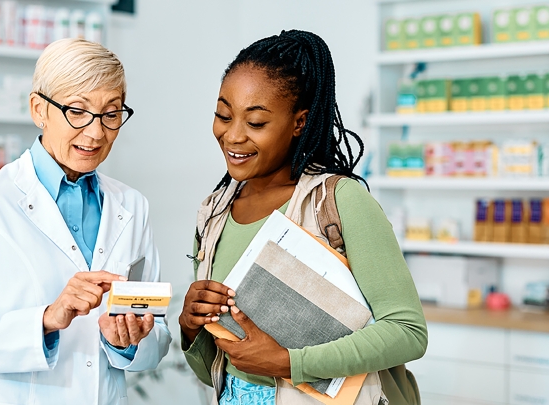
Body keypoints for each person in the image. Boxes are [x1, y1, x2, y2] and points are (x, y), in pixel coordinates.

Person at [179, 30, 428, 405]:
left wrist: (290, 362)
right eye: (223, 115)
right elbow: (216, 370)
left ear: (299, 122)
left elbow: (408, 331)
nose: (232, 136)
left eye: (256, 123)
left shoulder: (338, 202)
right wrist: (190, 326)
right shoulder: (213, 213)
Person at [0, 38, 171, 405]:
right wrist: (46, 320)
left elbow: (156, 338)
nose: (96, 132)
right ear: (39, 109)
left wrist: (126, 341)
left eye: (111, 114)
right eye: (77, 111)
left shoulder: (132, 205)